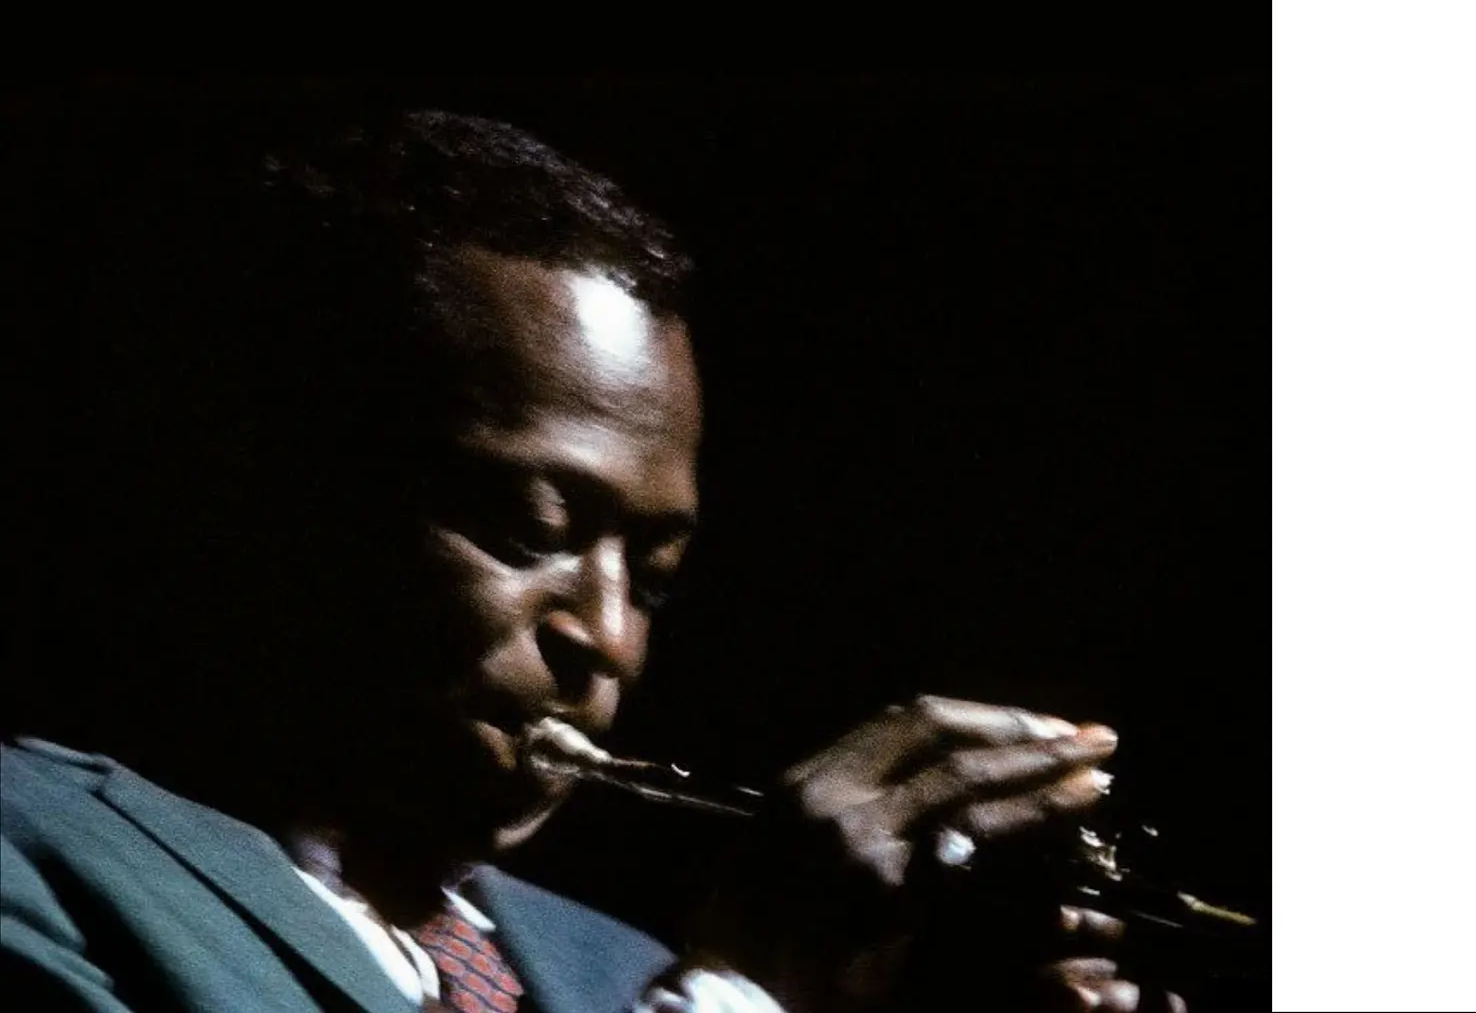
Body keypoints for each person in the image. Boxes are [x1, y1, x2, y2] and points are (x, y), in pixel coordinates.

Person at [0, 108, 1184, 1012]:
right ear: (282, 494)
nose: (607, 640)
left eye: (653, 580)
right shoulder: (38, 859)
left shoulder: (618, 971)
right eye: (530, 530)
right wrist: (737, 991)